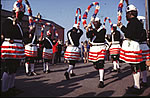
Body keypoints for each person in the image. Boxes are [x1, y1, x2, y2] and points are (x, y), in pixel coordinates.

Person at [117, 4, 148, 94]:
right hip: (136, 45)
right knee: (137, 66)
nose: (126, 16)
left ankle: (137, 87)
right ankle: (138, 84)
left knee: (134, 66)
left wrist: (121, 27)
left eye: (127, 14)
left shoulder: (133, 22)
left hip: (133, 45)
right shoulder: (136, 22)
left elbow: (129, 34)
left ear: (130, 14)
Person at [1, 0, 26, 96]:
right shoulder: (8, 21)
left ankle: (11, 87)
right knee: (8, 69)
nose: (22, 16)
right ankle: (4, 90)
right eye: (21, 13)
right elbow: (7, 32)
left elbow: (21, 36)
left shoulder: (18, 24)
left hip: (17, 49)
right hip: (10, 48)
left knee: (14, 70)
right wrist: (13, 25)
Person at [86, 17, 106, 88]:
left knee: (100, 63)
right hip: (93, 48)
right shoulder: (92, 30)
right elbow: (88, 36)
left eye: (96, 22)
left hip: (101, 47)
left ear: (99, 23)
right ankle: (101, 72)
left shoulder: (103, 30)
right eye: (94, 22)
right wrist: (87, 29)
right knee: (95, 64)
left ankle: (101, 81)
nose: (95, 24)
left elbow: (99, 36)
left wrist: (91, 30)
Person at [137, 16, 149, 88]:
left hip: (140, 47)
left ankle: (138, 83)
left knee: (138, 65)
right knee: (142, 66)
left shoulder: (139, 30)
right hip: (144, 47)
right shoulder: (143, 30)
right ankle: (144, 81)